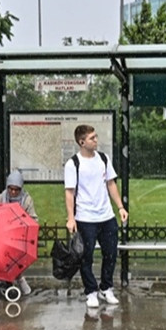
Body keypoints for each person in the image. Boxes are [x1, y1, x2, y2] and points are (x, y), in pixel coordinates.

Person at [64, 125, 128, 309]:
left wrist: (120, 207)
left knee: (111, 253)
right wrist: (71, 217)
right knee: (86, 257)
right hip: (85, 217)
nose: (96, 140)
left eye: (96, 136)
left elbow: (111, 184)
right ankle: (91, 291)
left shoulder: (103, 158)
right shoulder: (73, 164)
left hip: (106, 216)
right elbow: (70, 192)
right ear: (81, 142)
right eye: (92, 138)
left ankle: (106, 287)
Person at [0, 169, 36, 296]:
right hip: (2, 235)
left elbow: (33, 219)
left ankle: (18, 277)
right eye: (10, 189)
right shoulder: (1, 198)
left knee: (16, 254)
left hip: (20, 236)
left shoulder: (26, 200)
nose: (13, 192)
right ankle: (7, 279)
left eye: (16, 189)